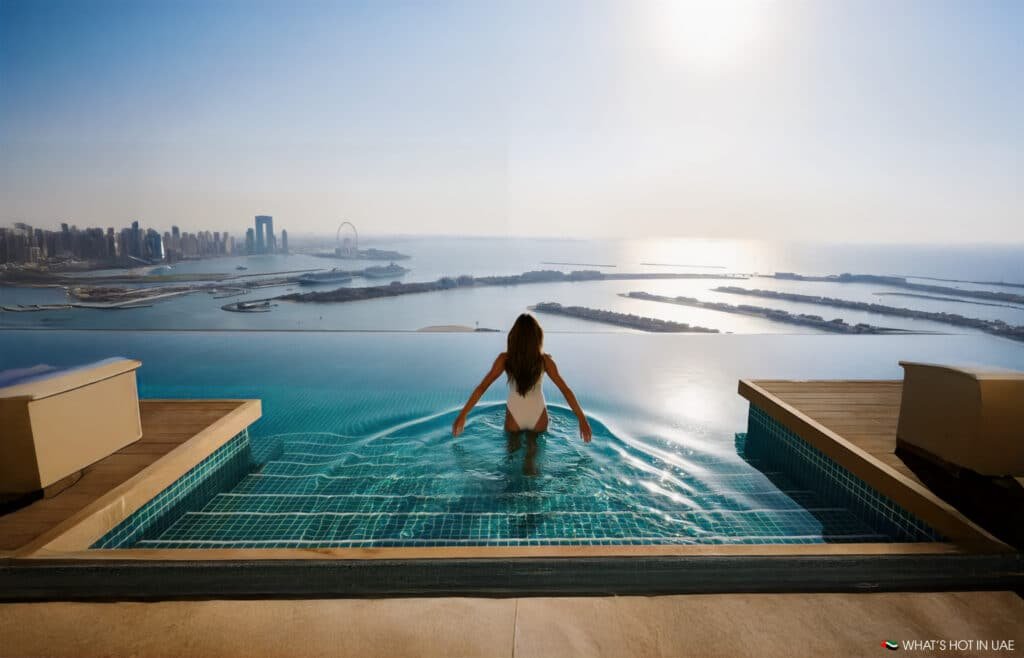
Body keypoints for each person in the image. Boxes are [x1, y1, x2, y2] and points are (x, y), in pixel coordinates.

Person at [451, 313, 593, 442]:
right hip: (538, 414)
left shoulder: (505, 359)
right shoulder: (545, 361)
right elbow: (565, 390)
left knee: (511, 458)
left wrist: (463, 414)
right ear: (537, 336)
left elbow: (482, 388)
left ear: (514, 336)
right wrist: (582, 419)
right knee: (532, 459)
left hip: (515, 414)